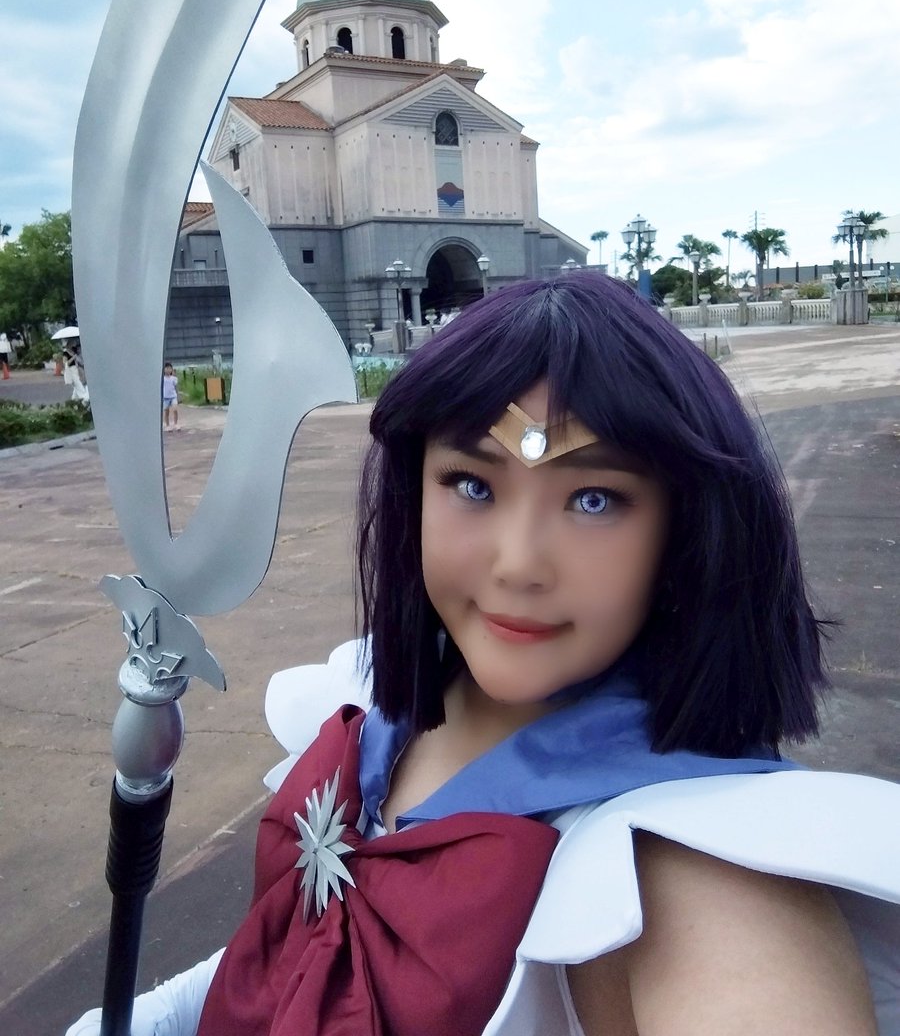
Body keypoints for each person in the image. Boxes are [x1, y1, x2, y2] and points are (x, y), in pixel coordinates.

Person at [67, 275, 900, 1036]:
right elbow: (292, 953)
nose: (518, 564)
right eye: (472, 484)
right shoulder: (373, 709)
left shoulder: (697, 874)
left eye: (594, 498)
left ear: (685, 531)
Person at [162, 362, 179, 431]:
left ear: (171, 369)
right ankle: (167, 425)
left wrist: (178, 395)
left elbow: (176, 387)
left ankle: (176, 424)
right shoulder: (162, 378)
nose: (168, 370)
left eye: (169, 368)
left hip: (173, 396)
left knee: (175, 409)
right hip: (165, 397)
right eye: (166, 368)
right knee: (166, 411)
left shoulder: (174, 378)